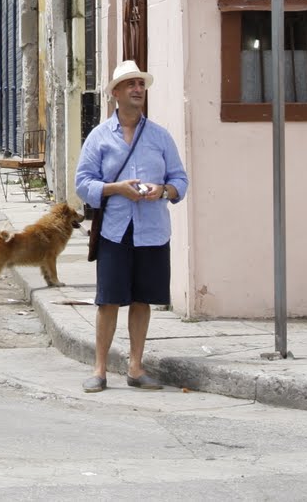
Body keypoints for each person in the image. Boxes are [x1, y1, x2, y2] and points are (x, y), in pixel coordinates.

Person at [75, 60, 188, 393]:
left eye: (141, 84)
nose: (138, 90)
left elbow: (180, 180)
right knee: (108, 300)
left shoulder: (160, 136)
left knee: (142, 300)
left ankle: (136, 368)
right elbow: (83, 183)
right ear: (116, 93)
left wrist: (162, 191)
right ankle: (99, 369)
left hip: (152, 231)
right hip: (114, 231)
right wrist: (116, 189)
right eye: (131, 85)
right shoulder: (99, 137)